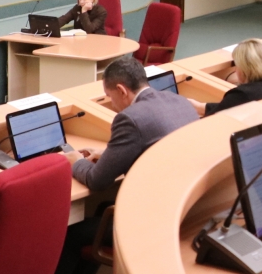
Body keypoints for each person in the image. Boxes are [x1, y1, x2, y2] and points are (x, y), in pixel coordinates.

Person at [58, 57, 196, 274]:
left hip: (150, 223)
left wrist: (77, 162)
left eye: (110, 96)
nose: (112, 104)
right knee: (102, 208)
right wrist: (108, 154)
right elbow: (155, 145)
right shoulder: (180, 102)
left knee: (70, 233)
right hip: (185, 211)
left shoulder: (130, 118)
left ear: (121, 90)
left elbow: (97, 181)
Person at [188, 39, 262, 117]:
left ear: (244, 68)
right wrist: (199, 107)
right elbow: (227, 107)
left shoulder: (241, 94)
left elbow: (214, 119)